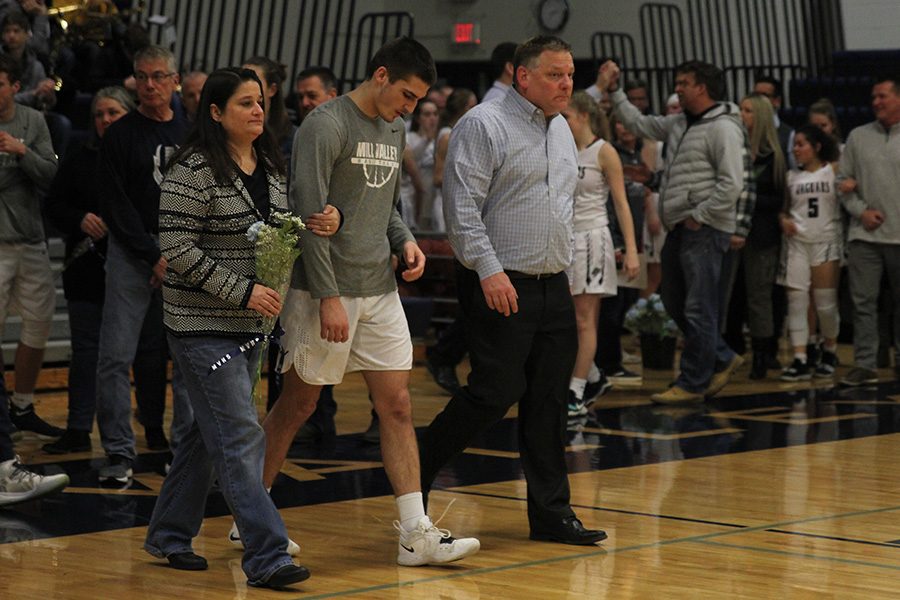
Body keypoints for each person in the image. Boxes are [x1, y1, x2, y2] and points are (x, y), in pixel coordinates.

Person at [263, 37, 480, 566]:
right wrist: (328, 297)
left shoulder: (394, 124)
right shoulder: (325, 125)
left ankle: (415, 531)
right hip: (324, 289)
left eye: (417, 100)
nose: (410, 108)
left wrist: (403, 238)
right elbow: (311, 219)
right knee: (298, 405)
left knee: (399, 405)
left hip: (380, 288)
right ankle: (252, 514)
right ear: (380, 75)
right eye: (406, 95)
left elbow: (384, 203)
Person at [144, 67, 331, 588]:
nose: (256, 111)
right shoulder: (194, 170)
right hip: (201, 327)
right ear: (215, 112)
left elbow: (279, 230)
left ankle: (167, 533)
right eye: (244, 103)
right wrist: (242, 289)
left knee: (207, 439)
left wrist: (319, 222)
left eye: (260, 103)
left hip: (251, 326)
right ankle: (267, 556)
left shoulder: (269, 167)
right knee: (240, 436)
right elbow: (176, 249)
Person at [419, 35, 607, 546]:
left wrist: (563, 266)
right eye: (555, 74)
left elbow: (561, 207)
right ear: (523, 76)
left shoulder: (563, 129)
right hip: (499, 280)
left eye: (570, 74)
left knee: (548, 401)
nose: (566, 83)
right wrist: (489, 270)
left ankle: (551, 514)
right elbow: (460, 209)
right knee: (493, 394)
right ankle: (414, 470)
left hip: (552, 285)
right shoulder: (484, 123)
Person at [603, 59, 750, 403]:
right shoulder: (679, 123)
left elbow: (732, 184)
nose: (678, 88)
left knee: (699, 306)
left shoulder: (723, 128)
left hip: (704, 229)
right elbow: (638, 122)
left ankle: (692, 382)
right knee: (671, 300)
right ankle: (723, 357)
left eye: (684, 82)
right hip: (681, 227)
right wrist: (615, 91)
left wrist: (700, 215)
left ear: (702, 87)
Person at [94, 45, 191, 484]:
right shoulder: (119, 135)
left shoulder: (192, 133)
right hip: (132, 252)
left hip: (184, 251)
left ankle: (186, 451)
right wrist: (152, 255)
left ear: (175, 80)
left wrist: (177, 251)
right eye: (141, 77)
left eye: (158, 76)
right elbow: (114, 205)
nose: (149, 85)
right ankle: (118, 452)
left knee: (189, 357)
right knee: (115, 356)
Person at [42, 86, 148, 454]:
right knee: (86, 351)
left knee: (132, 354)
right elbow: (53, 205)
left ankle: (146, 429)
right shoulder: (79, 156)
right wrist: (80, 218)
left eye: (113, 113)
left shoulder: (141, 154)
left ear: (129, 114)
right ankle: (77, 426)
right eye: (100, 114)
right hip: (86, 267)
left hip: (134, 266)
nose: (105, 120)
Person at [562, 90, 639, 417]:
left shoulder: (604, 152)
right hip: (565, 240)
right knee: (566, 320)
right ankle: (592, 375)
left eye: (566, 116)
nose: (561, 121)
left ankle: (576, 390)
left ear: (582, 115)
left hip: (593, 237)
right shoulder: (561, 149)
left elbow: (621, 203)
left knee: (583, 320)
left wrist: (632, 250)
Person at [0, 52, 60, 441]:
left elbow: (51, 175)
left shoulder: (33, 122)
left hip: (31, 238)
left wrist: (21, 152)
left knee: (39, 325)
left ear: (14, 87)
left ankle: (22, 405)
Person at [838, 74, 900, 386]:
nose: (875, 102)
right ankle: (865, 363)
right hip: (864, 236)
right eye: (873, 97)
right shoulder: (858, 136)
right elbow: (842, 184)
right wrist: (862, 212)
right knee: (862, 302)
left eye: (882, 96)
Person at [777, 124, 841, 380]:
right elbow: (784, 209)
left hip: (826, 240)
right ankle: (800, 357)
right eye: (795, 144)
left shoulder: (832, 171)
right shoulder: (791, 177)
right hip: (797, 243)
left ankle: (830, 350)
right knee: (797, 301)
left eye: (802, 144)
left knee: (825, 303)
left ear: (816, 147)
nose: (796, 148)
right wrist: (783, 221)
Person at [734, 93, 786, 379]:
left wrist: (748, 199)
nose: (742, 115)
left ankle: (763, 356)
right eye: (741, 109)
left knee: (759, 297)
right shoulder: (737, 149)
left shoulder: (773, 155)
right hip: (735, 232)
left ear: (761, 116)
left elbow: (778, 200)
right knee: (735, 297)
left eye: (748, 110)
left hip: (763, 236)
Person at [431, 88, 476, 232]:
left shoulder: (461, 132)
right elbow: (437, 178)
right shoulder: (447, 136)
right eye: (472, 106)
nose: (476, 110)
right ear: (461, 108)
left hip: (459, 204)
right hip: (446, 204)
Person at [242, 57, 295, 160]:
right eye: (242, 81)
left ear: (272, 90)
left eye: (255, 82)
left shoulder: (293, 138)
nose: (245, 87)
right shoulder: (232, 128)